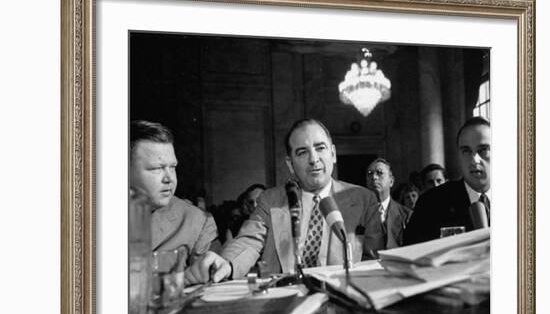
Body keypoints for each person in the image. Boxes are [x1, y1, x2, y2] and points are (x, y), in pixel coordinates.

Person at [190, 119, 382, 283]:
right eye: (302, 152)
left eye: (320, 148)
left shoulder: (364, 199)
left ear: (332, 153)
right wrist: (227, 263)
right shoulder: (270, 200)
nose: (314, 159)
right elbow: (249, 241)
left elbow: (375, 262)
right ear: (290, 163)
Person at [130, 120, 219, 278]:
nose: (170, 178)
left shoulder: (197, 222)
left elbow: (210, 289)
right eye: (157, 168)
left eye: (173, 167)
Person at [404, 117, 491, 244]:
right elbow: (409, 254)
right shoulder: (430, 203)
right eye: (466, 151)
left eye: (483, 150)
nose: (474, 160)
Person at [365, 158, 412, 249]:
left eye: (379, 173)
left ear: (391, 181)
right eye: (370, 174)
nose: (374, 177)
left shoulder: (406, 215)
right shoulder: (358, 215)